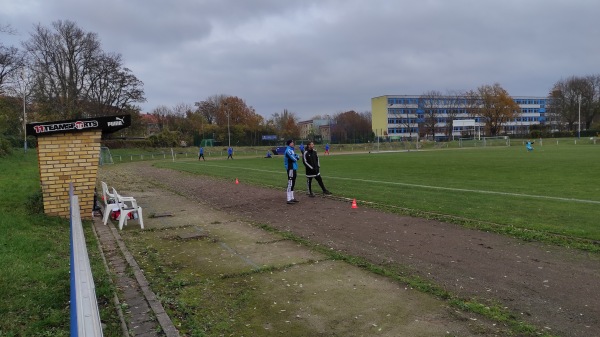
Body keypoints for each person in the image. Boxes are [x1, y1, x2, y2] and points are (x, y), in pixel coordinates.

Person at [284, 139, 300, 204]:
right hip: (290, 168)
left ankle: (292, 197)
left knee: (293, 182)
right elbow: (294, 158)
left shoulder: (291, 150)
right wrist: (296, 157)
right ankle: (288, 198)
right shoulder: (288, 150)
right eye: (292, 142)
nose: (293, 143)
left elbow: (297, 156)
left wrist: (296, 157)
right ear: (289, 144)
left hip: (293, 167)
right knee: (290, 182)